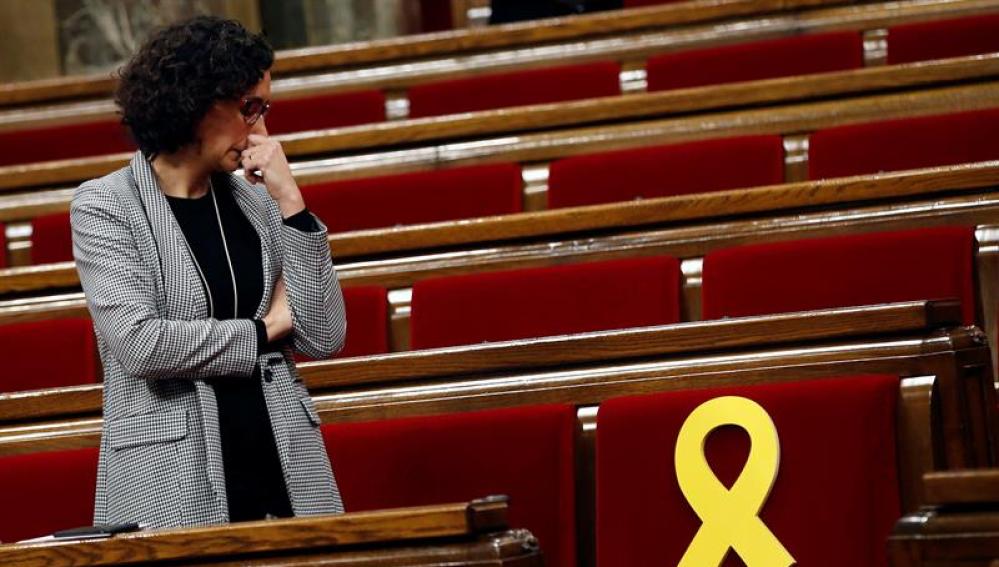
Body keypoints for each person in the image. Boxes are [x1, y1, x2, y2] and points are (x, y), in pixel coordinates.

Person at [70, 16, 346, 528]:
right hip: (169, 476)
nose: (261, 131)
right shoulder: (106, 206)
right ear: (195, 101)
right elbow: (143, 345)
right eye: (249, 108)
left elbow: (324, 335)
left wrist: (291, 202)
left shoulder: (257, 200)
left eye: (265, 109)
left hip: (283, 459)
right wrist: (265, 329)